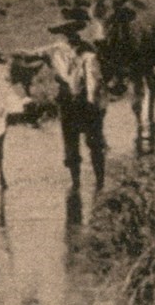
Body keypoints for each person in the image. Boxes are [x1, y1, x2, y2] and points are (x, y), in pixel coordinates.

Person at [43, 12, 107, 189]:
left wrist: (94, 101)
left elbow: (94, 78)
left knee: (94, 143)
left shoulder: (88, 51)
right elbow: (32, 56)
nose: (68, 36)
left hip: (87, 101)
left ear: (76, 32)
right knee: (70, 144)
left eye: (71, 31)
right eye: (64, 32)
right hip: (67, 102)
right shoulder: (55, 51)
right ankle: (75, 181)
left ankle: (100, 182)